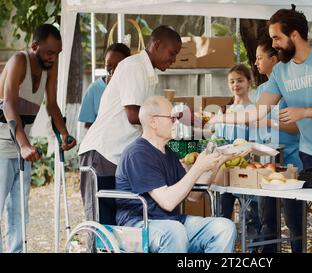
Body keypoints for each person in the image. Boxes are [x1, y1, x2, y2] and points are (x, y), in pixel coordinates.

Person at [208, 5, 312, 253]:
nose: (274, 44)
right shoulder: (280, 71)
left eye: (277, 37)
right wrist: (219, 118)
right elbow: (258, 111)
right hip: (310, 153)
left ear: (295, 35)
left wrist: (304, 112)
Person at [78, 25, 181, 251]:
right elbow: (136, 116)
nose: (174, 59)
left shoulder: (147, 73)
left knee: (118, 231)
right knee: (102, 228)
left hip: (117, 156)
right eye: (172, 53)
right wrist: (164, 124)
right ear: (155, 45)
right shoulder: (134, 67)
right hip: (102, 153)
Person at [115, 96, 239, 253]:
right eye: (172, 118)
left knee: (224, 227)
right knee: (174, 232)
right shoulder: (138, 153)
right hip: (139, 224)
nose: (177, 122)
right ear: (153, 121)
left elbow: (194, 196)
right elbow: (168, 202)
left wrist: (217, 162)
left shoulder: (168, 152)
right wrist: (197, 168)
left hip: (172, 223)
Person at [0, 24, 76, 252]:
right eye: (50, 53)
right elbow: (9, 104)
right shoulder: (19, 61)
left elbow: (51, 105)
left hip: (21, 145)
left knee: (19, 211)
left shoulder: (49, 66)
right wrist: (24, 144)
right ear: (35, 46)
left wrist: (64, 133)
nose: (54, 58)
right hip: (4, 143)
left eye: (58, 54)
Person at [254, 33, 305, 253]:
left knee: (294, 222)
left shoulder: (291, 90)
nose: (255, 62)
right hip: (265, 164)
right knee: (268, 221)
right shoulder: (259, 91)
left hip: (291, 164)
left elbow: (297, 127)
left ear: (274, 59)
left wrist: (269, 122)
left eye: (259, 57)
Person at [213, 64, 261, 241]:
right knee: (221, 217)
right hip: (224, 171)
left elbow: (257, 142)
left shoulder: (254, 111)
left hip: (245, 171)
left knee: (251, 218)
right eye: (232, 81)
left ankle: (253, 252)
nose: (236, 85)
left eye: (240, 80)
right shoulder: (223, 110)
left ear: (249, 82)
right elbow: (216, 140)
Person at [78, 43, 131, 129]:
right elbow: (88, 125)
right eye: (109, 65)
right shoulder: (94, 89)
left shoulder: (132, 87)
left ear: (128, 64)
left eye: (118, 66)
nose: (113, 71)